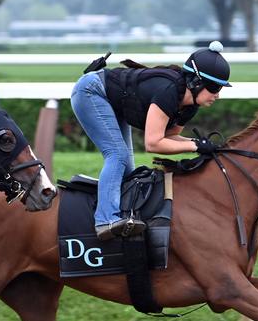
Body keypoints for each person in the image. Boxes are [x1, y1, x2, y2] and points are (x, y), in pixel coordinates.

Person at [69, 41, 231, 241]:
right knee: (117, 155)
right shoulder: (169, 92)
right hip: (91, 91)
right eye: (214, 87)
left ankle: (124, 218)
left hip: (112, 100)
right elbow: (153, 144)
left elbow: (169, 137)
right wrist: (194, 145)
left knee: (127, 169)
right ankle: (106, 221)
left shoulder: (189, 106)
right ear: (195, 82)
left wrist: (198, 144)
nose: (217, 95)